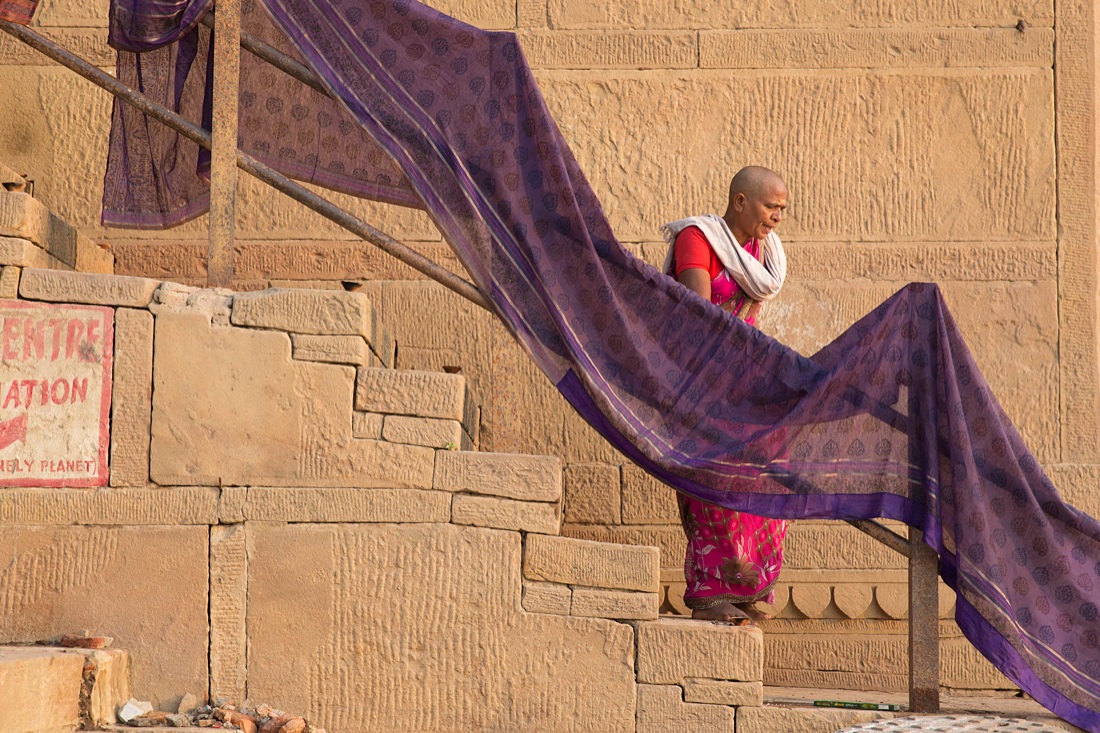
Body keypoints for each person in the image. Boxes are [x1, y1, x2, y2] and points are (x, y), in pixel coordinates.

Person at [660, 165, 790, 624]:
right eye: (770, 206)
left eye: (782, 209)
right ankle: (710, 596)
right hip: (697, 381)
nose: (777, 217)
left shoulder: (763, 254)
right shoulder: (698, 240)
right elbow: (698, 318)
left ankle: (745, 586)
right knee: (713, 482)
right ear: (740, 202)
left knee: (769, 473)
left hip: (742, 384)